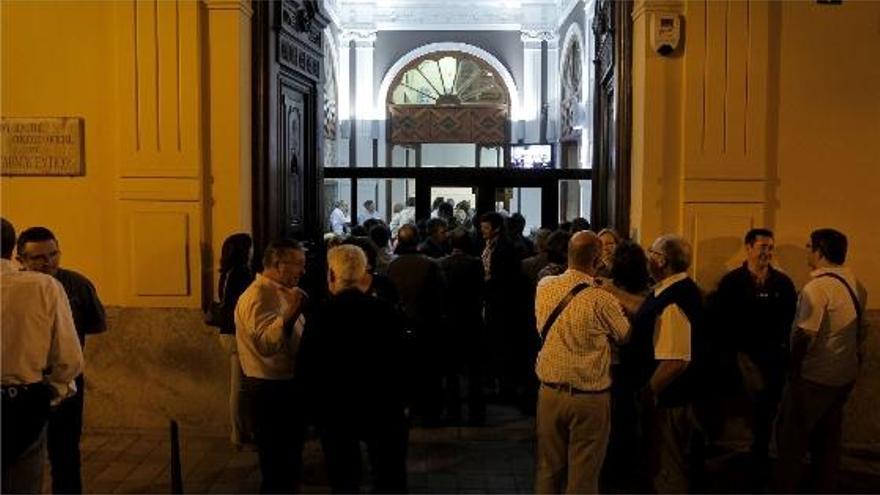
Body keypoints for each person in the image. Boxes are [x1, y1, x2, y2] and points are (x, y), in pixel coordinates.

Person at [299, 245, 408, 493]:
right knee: (389, 477)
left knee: (344, 478)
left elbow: (308, 365)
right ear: (362, 274)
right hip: (382, 405)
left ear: (332, 275)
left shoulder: (322, 314)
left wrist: (312, 411)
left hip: (336, 407)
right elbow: (402, 358)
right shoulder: (384, 311)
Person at [534, 231, 630, 494]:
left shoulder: (545, 286)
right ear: (598, 260)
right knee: (584, 473)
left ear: (568, 254)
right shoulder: (602, 299)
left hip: (550, 392)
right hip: (589, 397)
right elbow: (625, 335)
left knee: (548, 468)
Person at [609, 234, 706, 493]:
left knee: (667, 466)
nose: (647, 257)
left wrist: (648, 393)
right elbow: (644, 310)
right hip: (669, 397)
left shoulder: (674, 301)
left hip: (670, 399)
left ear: (661, 261)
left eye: (651, 251)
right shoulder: (671, 290)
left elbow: (675, 361)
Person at [774, 228, 868, 493]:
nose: (807, 251)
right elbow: (860, 333)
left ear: (819, 251)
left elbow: (805, 335)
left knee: (791, 444)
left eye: (809, 246)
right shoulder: (855, 284)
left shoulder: (817, 288)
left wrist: (793, 374)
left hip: (814, 379)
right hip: (842, 376)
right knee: (827, 446)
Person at [16, 226, 107, 494]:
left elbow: (94, 324)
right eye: (38, 258)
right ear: (20, 260)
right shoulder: (14, 290)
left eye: (53, 254)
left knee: (66, 451)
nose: (48, 263)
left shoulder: (77, 284)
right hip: (26, 380)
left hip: (66, 378)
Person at [1, 218, 84, 495]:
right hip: (22, 401)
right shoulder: (44, 287)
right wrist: (54, 392)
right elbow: (69, 358)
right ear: (13, 249)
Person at [711, 228, 796, 466]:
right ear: (748, 248)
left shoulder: (783, 283)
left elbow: (791, 320)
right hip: (742, 358)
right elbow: (721, 320)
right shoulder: (731, 282)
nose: (767, 253)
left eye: (770, 248)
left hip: (773, 359)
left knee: (767, 410)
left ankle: (760, 457)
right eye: (762, 247)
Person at [235, 239, 309, 493]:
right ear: (278, 265)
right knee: (276, 460)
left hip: (285, 385)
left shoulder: (280, 292)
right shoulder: (258, 296)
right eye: (298, 264)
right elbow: (265, 345)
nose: (303, 270)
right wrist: (291, 313)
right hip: (271, 389)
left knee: (289, 459)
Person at [387, 224, 446, 425]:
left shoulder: (392, 266)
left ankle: (408, 411)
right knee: (429, 373)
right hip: (427, 324)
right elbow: (440, 297)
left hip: (401, 325)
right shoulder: (430, 264)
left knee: (406, 373)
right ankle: (431, 414)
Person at [211, 233, 255, 449]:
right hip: (237, 333)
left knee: (240, 386)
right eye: (250, 247)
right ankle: (240, 434)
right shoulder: (242, 273)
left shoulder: (227, 272)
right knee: (240, 387)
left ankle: (241, 432)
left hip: (227, 332)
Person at [439, 228, 487, 425]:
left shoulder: (442, 264)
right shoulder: (476, 264)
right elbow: (482, 291)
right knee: (475, 372)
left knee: (451, 373)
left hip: (450, 322)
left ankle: (453, 413)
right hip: (472, 320)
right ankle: (476, 414)